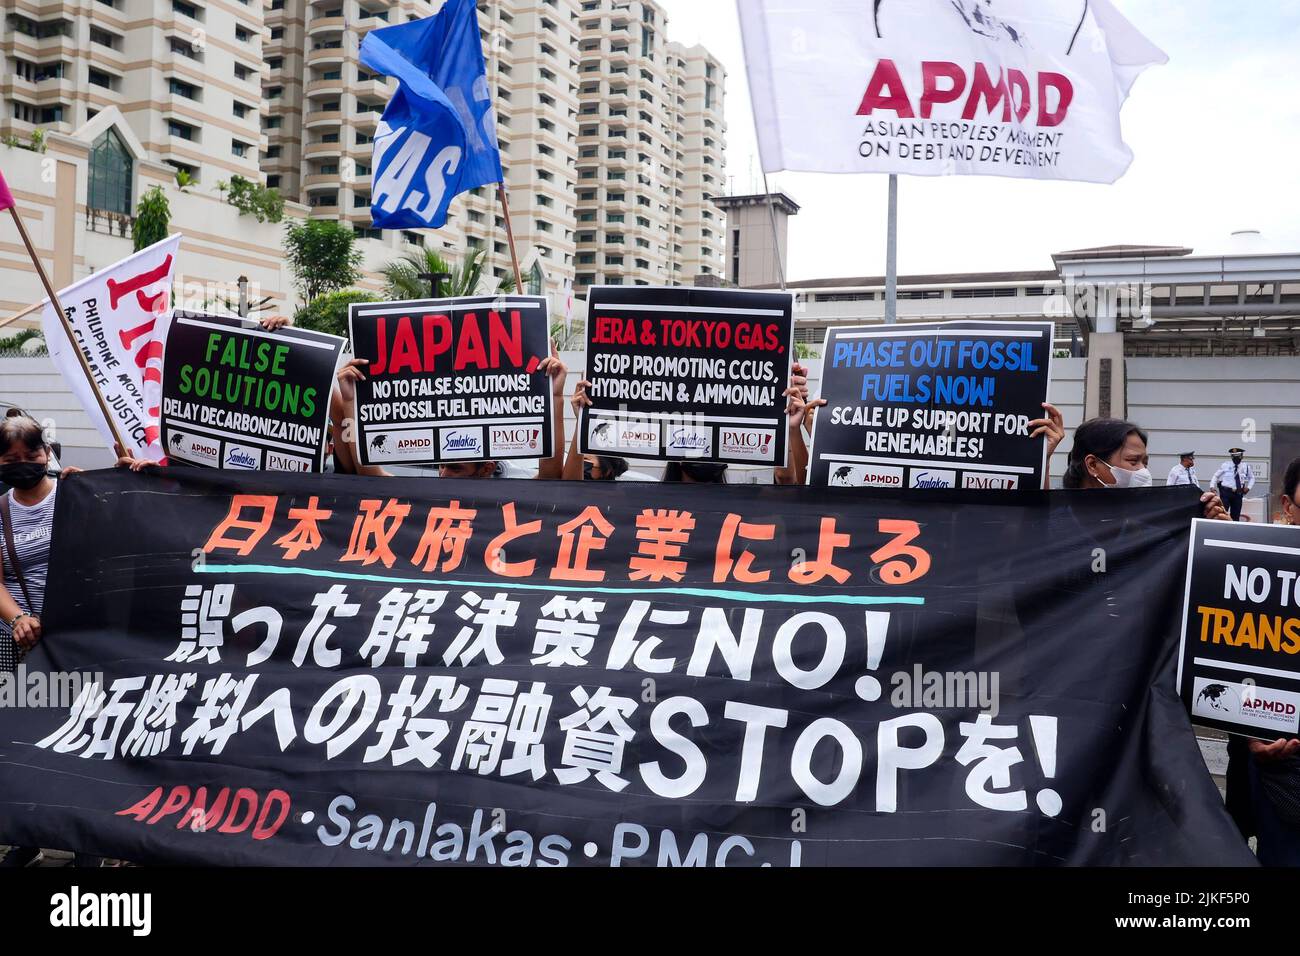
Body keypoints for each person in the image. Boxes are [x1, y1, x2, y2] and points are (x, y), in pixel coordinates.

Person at [0, 410, 81, 869]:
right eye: (10, 458)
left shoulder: (75, 493)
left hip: (78, 640)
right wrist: (19, 619)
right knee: (25, 742)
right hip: (23, 644)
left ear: (46, 454)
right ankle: (25, 836)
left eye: (30, 454)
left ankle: (86, 844)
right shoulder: (0, 510)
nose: (21, 463)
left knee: (83, 737)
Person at [332, 345, 568, 480]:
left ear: (487, 469)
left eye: (455, 468)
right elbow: (369, 473)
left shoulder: (508, 499)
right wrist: (351, 400)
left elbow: (550, 477)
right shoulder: (430, 499)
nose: (443, 474)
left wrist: (555, 397)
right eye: (441, 466)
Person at [1224, 457, 1300, 866]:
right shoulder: (1257, 567)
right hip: (1283, 776)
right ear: (1288, 507)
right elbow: (1228, 663)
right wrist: (1249, 723)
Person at [1061, 418, 1228, 520]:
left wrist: (1218, 529)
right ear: (1092, 465)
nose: (1144, 471)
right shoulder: (1055, 526)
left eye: (1145, 463)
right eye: (1133, 461)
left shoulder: (1153, 526)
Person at [1213, 447, 1255, 521]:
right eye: (1234, 457)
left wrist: (1248, 488)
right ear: (1231, 457)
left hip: (1238, 494)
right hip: (1226, 493)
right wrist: (1212, 486)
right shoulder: (1226, 465)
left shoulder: (1246, 466)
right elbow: (1216, 475)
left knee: (1235, 516)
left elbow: (1252, 478)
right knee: (1223, 514)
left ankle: (1233, 531)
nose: (1236, 459)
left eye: (1238, 457)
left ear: (1242, 457)